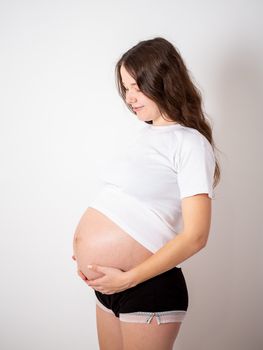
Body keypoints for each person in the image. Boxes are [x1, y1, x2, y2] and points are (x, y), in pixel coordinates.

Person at [72, 36, 221, 350]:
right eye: (126, 88)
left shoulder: (190, 143)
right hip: (108, 287)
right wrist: (88, 256)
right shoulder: (143, 136)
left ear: (163, 80)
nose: (130, 97)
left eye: (137, 86)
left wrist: (127, 278)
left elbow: (196, 236)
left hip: (146, 287)